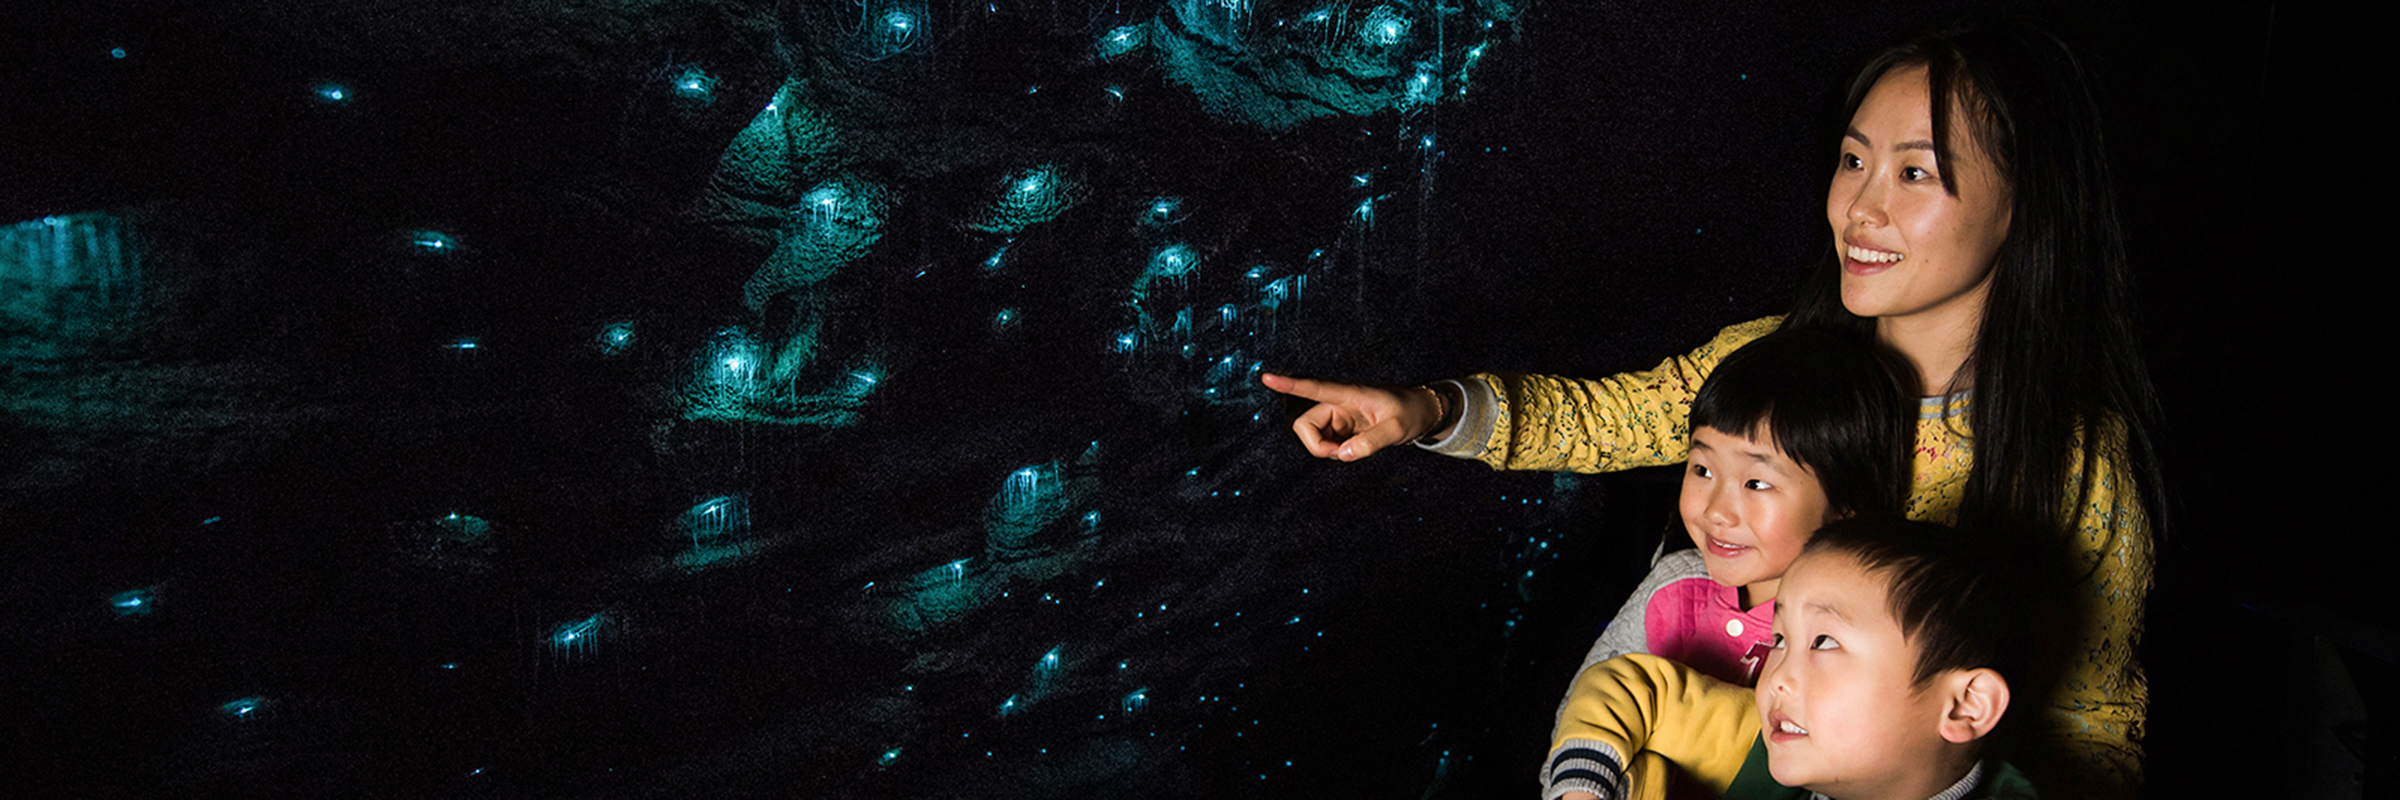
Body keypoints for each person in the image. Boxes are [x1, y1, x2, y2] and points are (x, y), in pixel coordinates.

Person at [1262, 18, 2161, 795]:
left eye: (1916, 173)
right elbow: (1605, 418)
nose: (1860, 207)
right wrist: (1425, 410)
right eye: (1853, 160)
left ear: (2026, 204)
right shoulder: (1773, 360)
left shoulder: (2073, 458)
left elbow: (2092, 720)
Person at [1544, 518, 2036, 800]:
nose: (1776, 676)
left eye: (1823, 642)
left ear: (1965, 705)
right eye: (1779, 639)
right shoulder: (1770, 746)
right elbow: (1633, 688)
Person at [1576, 328, 1913, 687]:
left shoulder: (1853, 634)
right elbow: (1588, 698)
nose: (1716, 512)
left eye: (1756, 483)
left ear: (1847, 506)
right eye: (1702, 470)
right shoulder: (1671, 586)